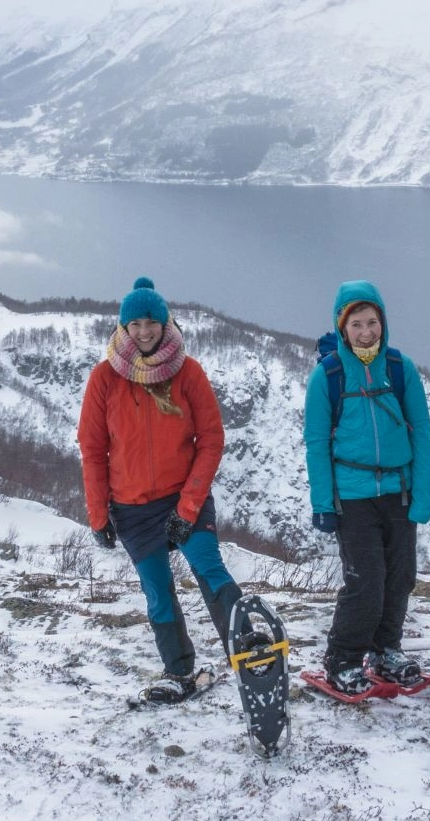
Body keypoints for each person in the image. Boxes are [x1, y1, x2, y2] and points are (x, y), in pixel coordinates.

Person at [77, 276, 252, 704]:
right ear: (123, 328)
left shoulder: (188, 372)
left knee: (209, 568)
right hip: (132, 507)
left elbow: (211, 439)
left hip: (181, 498)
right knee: (157, 590)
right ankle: (180, 673)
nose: (143, 331)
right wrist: (99, 515)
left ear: (165, 322)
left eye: (151, 322)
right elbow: (93, 449)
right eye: (134, 323)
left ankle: (250, 656)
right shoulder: (105, 379)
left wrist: (189, 506)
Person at [304, 279, 430, 695]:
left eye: (372, 322)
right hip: (354, 494)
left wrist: (424, 494)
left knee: (400, 577)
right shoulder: (328, 375)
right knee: (366, 580)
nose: (366, 332)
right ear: (343, 328)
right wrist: (323, 503)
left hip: (398, 490)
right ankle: (342, 657)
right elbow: (317, 443)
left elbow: (422, 433)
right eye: (356, 324)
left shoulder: (400, 369)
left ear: (383, 323)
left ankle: (385, 650)